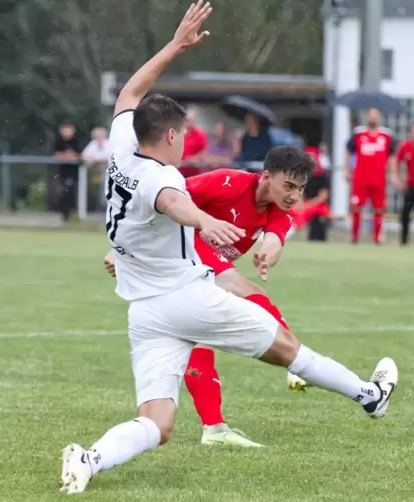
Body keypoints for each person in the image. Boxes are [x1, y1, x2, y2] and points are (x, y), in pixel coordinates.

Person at [60, 3, 398, 494]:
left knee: (157, 424)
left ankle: (89, 460)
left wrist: (177, 45)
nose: (185, 143)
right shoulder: (159, 174)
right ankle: (370, 397)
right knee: (288, 349)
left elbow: (131, 91)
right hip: (186, 297)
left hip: (144, 312)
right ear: (171, 136)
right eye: (183, 134)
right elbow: (174, 202)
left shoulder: (121, 145)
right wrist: (206, 220)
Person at [103, 152, 307, 448]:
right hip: (183, 251)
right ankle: (298, 363)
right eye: (289, 186)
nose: (295, 195)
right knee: (244, 289)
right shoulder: (227, 182)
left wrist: (269, 253)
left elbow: (275, 238)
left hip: (190, 271)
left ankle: (214, 428)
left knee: (198, 338)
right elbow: (159, 200)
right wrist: (123, 250)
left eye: (301, 189)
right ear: (266, 177)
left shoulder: (279, 207)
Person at [343, 108, 396, 245]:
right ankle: (354, 237)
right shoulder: (358, 133)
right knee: (356, 207)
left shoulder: (386, 135)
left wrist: (393, 174)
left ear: (379, 118)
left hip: (379, 178)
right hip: (361, 177)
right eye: (371, 116)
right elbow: (348, 151)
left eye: (376, 116)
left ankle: (377, 237)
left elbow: (392, 156)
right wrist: (346, 170)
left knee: (378, 208)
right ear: (367, 117)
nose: (373, 118)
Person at [52, 120, 83, 222]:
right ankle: (64, 213)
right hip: (61, 172)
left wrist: (70, 155)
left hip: (73, 172)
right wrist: (67, 155)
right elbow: (55, 154)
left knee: (71, 192)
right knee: (62, 192)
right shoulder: (58, 141)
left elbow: (79, 154)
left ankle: (72, 213)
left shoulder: (76, 141)